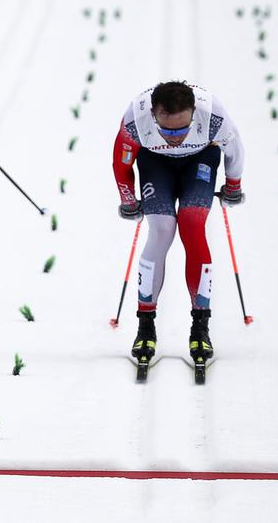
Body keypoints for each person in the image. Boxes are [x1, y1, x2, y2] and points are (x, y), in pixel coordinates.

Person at [112, 81, 244, 363]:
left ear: (194, 113)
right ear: (153, 114)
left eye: (183, 129)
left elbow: (235, 151)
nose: (175, 137)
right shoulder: (136, 117)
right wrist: (128, 199)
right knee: (161, 230)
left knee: (192, 225)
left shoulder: (214, 115)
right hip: (154, 164)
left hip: (200, 160)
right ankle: (145, 325)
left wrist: (233, 185)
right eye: (167, 129)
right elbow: (121, 163)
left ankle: (200, 327)